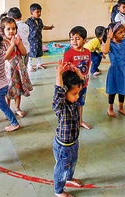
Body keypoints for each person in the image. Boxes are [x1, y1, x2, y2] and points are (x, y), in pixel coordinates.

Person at [52, 59, 85, 197]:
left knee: (72, 163)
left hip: (73, 142)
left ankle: (69, 178)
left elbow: (82, 83)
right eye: (74, 94)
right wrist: (59, 75)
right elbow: (58, 92)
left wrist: (76, 71)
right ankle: (58, 191)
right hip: (63, 146)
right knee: (62, 168)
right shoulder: (60, 107)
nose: (77, 96)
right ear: (65, 92)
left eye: (78, 93)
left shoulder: (73, 102)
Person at [1, 17, 33, 118]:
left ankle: (17, 108)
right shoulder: (2, 42)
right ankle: (8, 110)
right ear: (3, 30)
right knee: (8, 91)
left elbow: (24, 53)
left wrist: (19, 44)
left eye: (13, 28)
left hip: (19, 69)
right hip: (8, 71)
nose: (11, 31)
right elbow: (4, 57)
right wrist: (12, 45)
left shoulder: (18, 39)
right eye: (8, 29)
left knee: (18, 89)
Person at [63, 26, 92, 130]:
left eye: (77, 38)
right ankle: (69, 122)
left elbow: (87, 67)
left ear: (85, 40)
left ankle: (80, 121)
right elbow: (65, 71)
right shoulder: (68, 54)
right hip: (72, 86)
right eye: (72, 38)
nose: (74, 41)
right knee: (70, 104)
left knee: (80, 103)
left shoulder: (88, 52)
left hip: (83, 84)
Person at [25, 3, 55, 71]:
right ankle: (29, 66)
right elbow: (25, 29)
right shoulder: (28, 21)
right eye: (37, 12)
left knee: (39, 52)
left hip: (38, 39)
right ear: (32, 12)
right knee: (30, 54)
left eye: (40, 12)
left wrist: (49, 27)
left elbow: (42, 27)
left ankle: (39, 64)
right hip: (31, 41)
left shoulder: (40, 20)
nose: (39, 13)